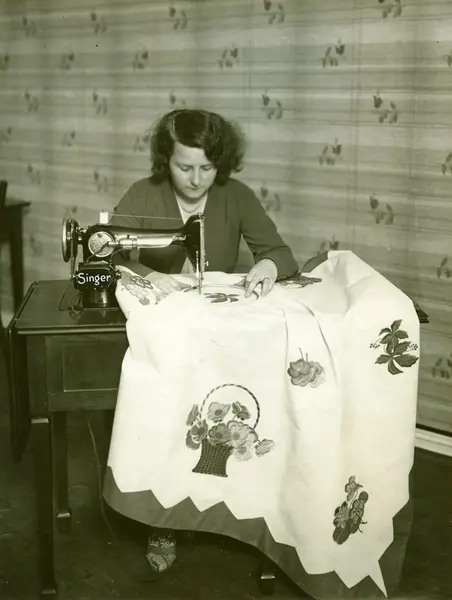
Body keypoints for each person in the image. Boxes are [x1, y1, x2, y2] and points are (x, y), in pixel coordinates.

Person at [110, 108, 299, 573]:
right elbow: (109, 251)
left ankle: (237, 507)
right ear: (166, 160)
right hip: (166, 335)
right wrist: (149, 276)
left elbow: (280, 253)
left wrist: (266, 265)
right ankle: (163, 519)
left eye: (207, 168)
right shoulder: (142, 193)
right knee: (164, 409)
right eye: (184, 167)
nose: (196, 180)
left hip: (217, 339)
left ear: (221, 164)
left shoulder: (237, 197)